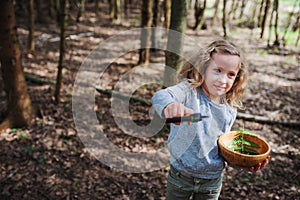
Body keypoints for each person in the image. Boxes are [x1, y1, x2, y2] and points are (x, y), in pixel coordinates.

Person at [151, 40, 269, 200]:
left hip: (211, 182)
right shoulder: (188, 91)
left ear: (237, 78)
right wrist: (169, 106)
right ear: (203, 69)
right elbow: (161, 96)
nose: (223, 80)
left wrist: (243, 163)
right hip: (180, 176)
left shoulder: (229, 109)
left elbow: (222, 149)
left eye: (230, 74)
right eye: (217, 70)